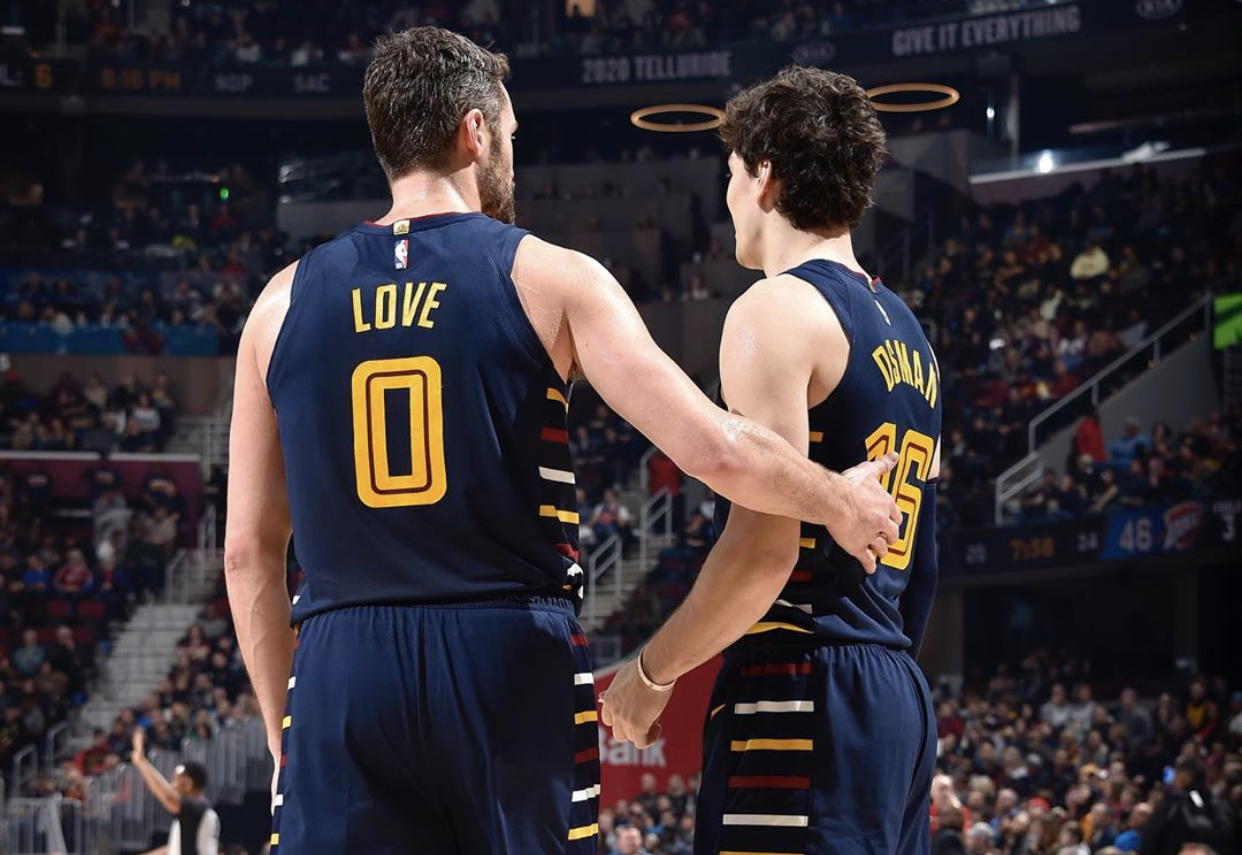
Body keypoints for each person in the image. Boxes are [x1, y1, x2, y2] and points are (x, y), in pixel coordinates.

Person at [223, 27, 900, 855]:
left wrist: (285, 728)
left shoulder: (279, 304)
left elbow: (247, 554)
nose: (512, 153)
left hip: (341, 661)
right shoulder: (547, 275)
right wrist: (837, 496)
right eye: (509, 133)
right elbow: (713, 447)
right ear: (475, 131)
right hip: (506, 651)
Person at [600, 67, 940, 855]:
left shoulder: (775, 309)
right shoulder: (910, 333)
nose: (726, 198)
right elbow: (921, 565)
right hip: (893, 687)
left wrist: (651, 672)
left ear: (763, 176)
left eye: (729, 175)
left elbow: (763, 550)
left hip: (798, 681)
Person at [130, 728, 220, 855]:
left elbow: (167, 796)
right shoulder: (199, 814)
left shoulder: (196, 810)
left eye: (176, 781)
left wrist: (141, 761)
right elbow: (172, 848)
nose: (172, 786)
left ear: (188, 784)